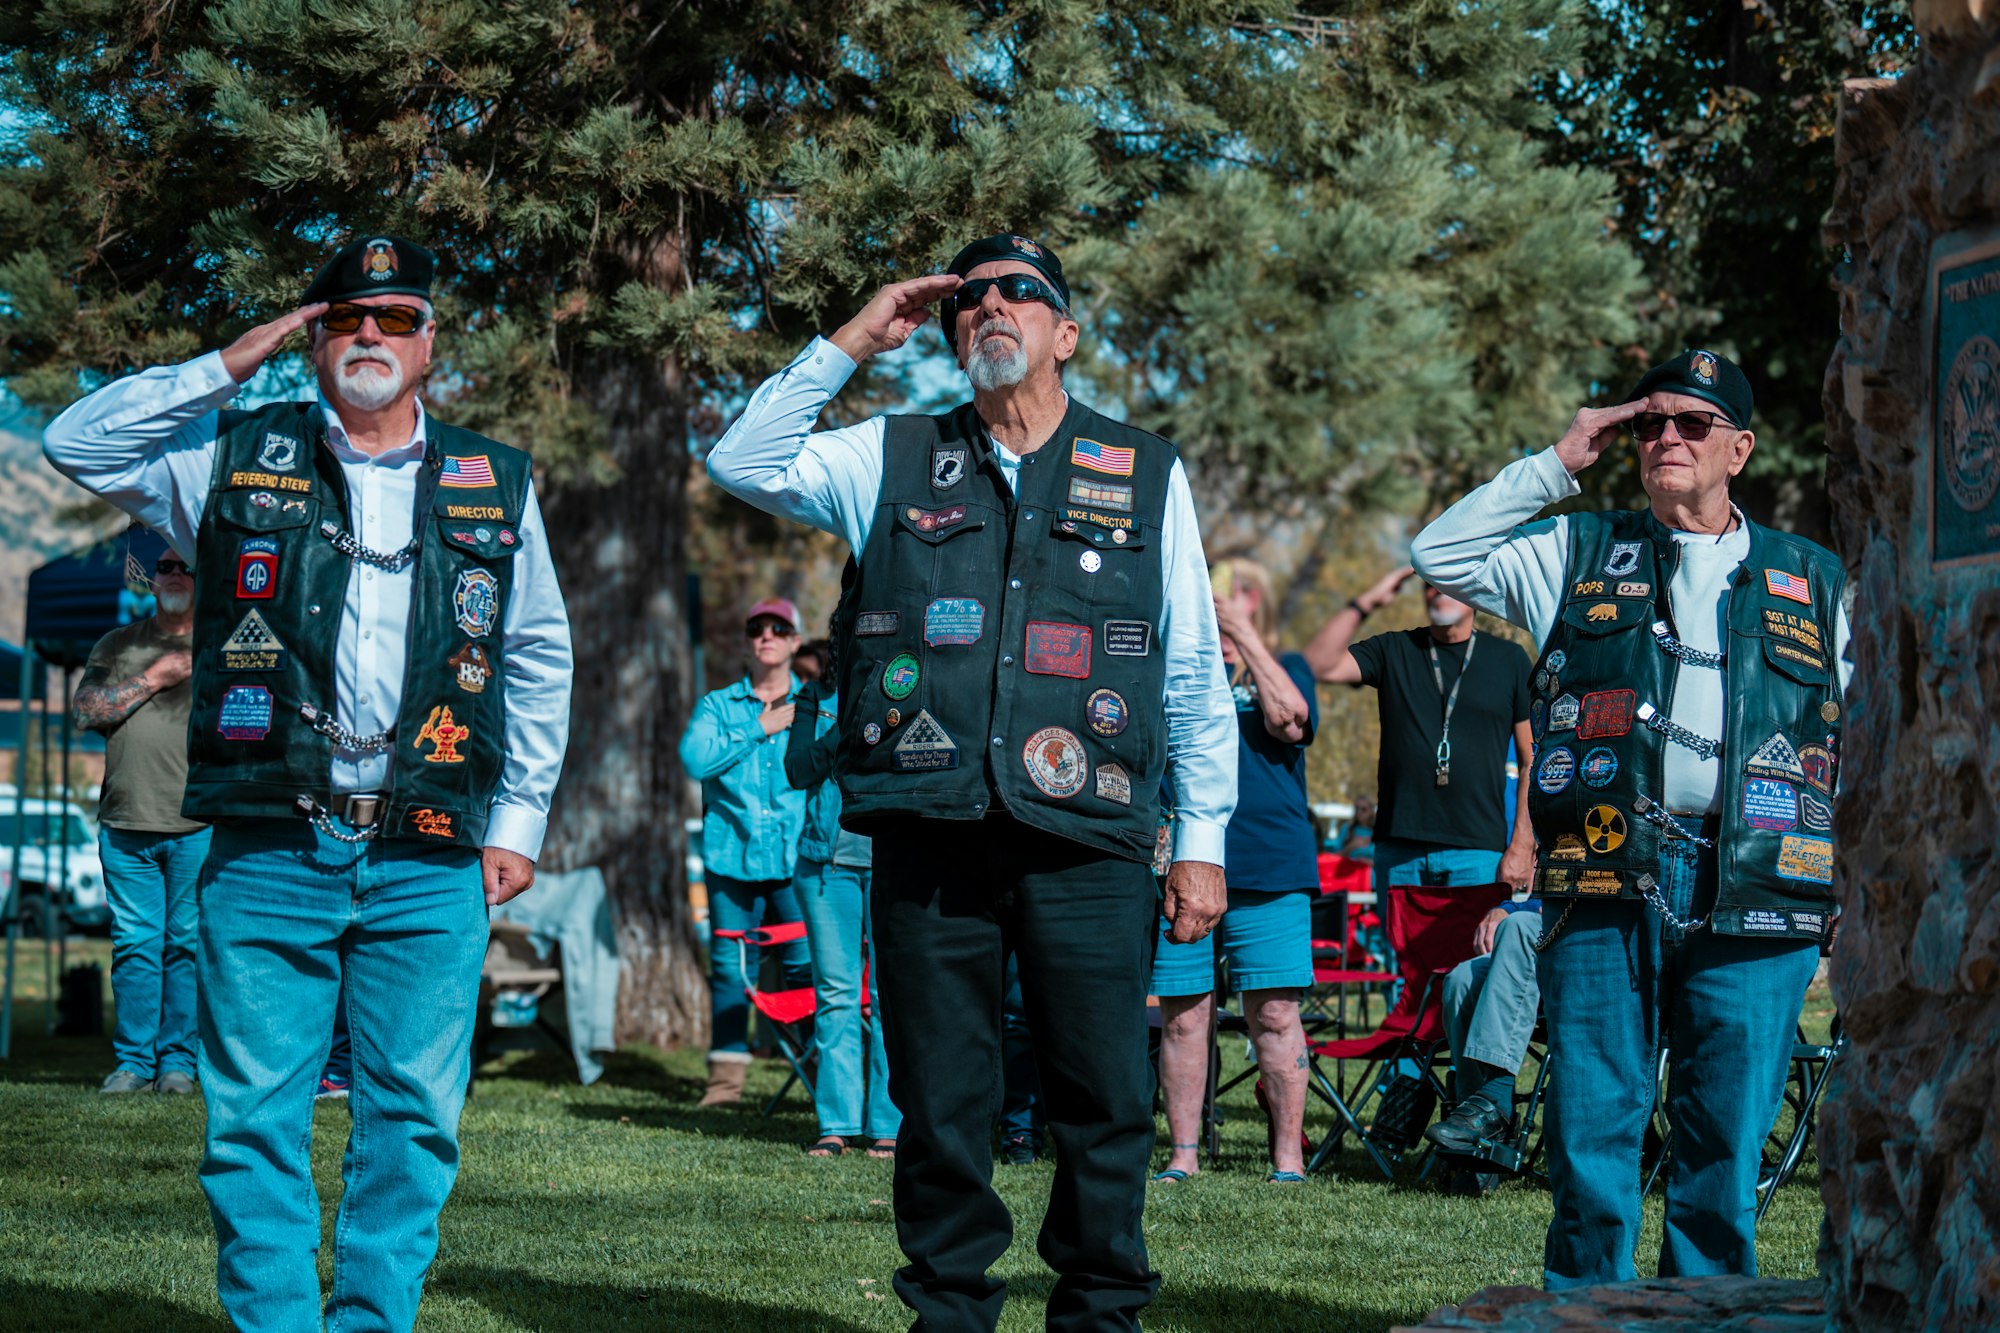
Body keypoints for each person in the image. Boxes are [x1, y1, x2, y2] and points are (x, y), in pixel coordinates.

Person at [706, 233, 1236, 1331]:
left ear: (1065, 332)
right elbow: (743, 460)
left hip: (1086, 836)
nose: (990, 308)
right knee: (942, 1104)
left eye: (1019, 295)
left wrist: (1202, 837)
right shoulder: (890, 456)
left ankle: (1098, 1315)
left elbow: (1187, 663)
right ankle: (946, 1314)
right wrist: (856, 337)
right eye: (970, 300)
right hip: (926, 829)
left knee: (1101, 1098)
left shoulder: (1142, 468)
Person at [43, 233, 573, 1329]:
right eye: (342, 318)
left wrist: (517, 818)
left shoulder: (493, 478)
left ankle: (372, 1323)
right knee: (250, 1121)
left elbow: (535, 654)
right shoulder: (231, 459)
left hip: (432, 845)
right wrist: (227, 364)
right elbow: (76, 441)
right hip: (269, 842)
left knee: (415, 1115)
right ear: (313, 340)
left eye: (392, 318)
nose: (367, 335)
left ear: (431, 343)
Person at [1412, 348, 1851, 1288]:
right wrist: (1563, 458)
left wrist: (1845, 881)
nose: (1666, 438)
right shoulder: (1573, 550)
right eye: (1652, 422)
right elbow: (1439, 555)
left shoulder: (1813, 578)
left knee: (1723, 1155)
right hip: (1603, 878)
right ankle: (1587, 1315)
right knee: (1591, 1144)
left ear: (1738, 449)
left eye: (1693, 424)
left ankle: (1705, 1313)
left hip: (1761, 884)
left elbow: (1858, 737)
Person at [1152, 557, 1317, 1185]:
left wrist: (1245, 640)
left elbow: (1291, 722)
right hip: (1183, 864)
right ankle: (1183, 1156)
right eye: (1219, 593)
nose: (1226, 604)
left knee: (1274, 1013)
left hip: (1268, 866)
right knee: (1185, 1013)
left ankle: (1288, 1160)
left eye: (1243, 595)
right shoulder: (1173, 671)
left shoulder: (1288, 670)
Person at [1305, 568, 1537, 923]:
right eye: (1430, 585)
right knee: (1404, 974)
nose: (1437, 592)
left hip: (1476, 852)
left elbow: (1530, 760)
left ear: (1472, 593)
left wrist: (1522, 844)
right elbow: (1317, 665)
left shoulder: (1510, 660)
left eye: (1449, 584)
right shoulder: (1393, 649)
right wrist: (1366, 602)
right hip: (1400, 851)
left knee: (1471, 971)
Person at [76, 549, 213, 1096]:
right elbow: (86, 711)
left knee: (186, 945)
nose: (174, 574)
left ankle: (178, 1064)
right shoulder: (118, 644)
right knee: (134, 944)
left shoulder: (224, 642)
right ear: (150, 577)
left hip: (197, 824)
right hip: (125, 822)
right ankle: (133, 1063)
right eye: (165, 565)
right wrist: (156, 677)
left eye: (186, 566)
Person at [678, 597, 814, 1108]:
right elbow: (695, 758)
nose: (767, 636)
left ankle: (816, 1075)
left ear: (795, 642)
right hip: (730, 860)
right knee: (733, 972)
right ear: (746, 642)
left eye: (780, 628)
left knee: (805, 968)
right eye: (757, 628)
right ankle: (725, 1086)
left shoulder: (814, 704)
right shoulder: (717, 706)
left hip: (794, 862)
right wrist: (761, 726)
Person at [783, 641, 899, 1157]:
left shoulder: (906, 687)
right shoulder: (816, 695)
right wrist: (845, 726)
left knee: (891, 997)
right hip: (824, 865)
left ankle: (889, 1125)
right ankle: (836, 1124)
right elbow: (797, 769)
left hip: (894, 862)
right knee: (836, 995)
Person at [1426, 895, 1544, 1164]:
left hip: (1593, 943)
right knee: (1461, 979)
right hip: (1546, 938)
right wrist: (1506, 908)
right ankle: (1469, 1116)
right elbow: (1540, 898)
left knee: (1520, 926)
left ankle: (1495, 1101)